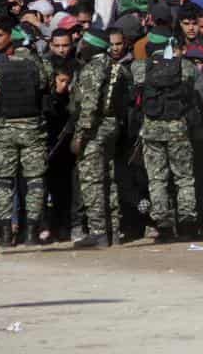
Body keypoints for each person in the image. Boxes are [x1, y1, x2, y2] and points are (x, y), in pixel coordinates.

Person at [0, 15, 52, 248]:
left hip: (5, 131)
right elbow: (45, 84)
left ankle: (5, 235)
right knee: (34, 182)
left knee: (3, 182)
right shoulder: (37, 63)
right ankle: (31, 233)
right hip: (33, 129)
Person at [132, 33, 203, 242]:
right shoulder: (185, 66)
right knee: (184, 178)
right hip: (178, 129)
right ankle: (188, 225)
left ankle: (163, 226)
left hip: (152, 129)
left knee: (157, 179)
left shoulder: (139, 67)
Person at [69, 29, 129, 249]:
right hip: (112, 127)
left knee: (92, 181)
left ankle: (98, 233)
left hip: (95, 130)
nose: (80, 45)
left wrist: (80, 136)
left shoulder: (93, 68)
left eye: (84, 42)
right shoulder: (115, 66)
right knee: (109, 178)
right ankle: (113, 231)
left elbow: (90, 105)